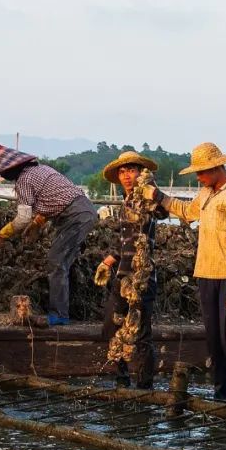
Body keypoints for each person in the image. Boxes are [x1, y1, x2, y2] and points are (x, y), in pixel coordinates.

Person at [144, 141, 226, 401]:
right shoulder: (207, 194)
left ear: (217, 167)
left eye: (202, 172)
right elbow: (187, 212)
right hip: (206, 273)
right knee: (214, 341)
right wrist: (159, 196)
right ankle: (223, 393)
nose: (198, 177)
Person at [0, 146, 98, 324]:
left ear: (11, 169)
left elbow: (22, 218)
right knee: (63, 263)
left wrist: (2, 235)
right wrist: (37, 223)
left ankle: (59, 315)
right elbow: (53, 200)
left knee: (56, 261)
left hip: (75, 216)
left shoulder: (24, 180)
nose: (3, 176)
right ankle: (64, 311)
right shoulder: (42, 169)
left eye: (3, 173)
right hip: (82, 211)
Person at [93, 151, 168, 388]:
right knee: (111, 329)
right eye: (122, 172)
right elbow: (125, 241)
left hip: (142, 278)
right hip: (122, 276)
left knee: (142, 335)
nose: (126, 176)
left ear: (140, 173)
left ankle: (145, 388)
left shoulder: (145, 198)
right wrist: (109, 260)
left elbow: (163, 212)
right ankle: (122, 381)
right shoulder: (126, 202)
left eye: (132, 170)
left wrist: (152, 190)